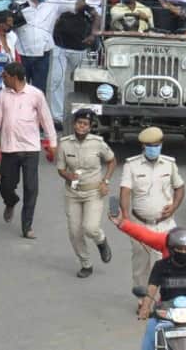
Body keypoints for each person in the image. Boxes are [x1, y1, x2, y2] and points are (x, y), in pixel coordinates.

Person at [0, 62, 55, 239]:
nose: (2, 79)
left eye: (5, 76)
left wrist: (52, 143)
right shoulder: (2, 95)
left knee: (31, 188)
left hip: (30, 148)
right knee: (6, 186)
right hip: (9, 147)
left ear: (14, 77)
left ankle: (27, 226)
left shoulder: (35, 94)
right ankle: (11, 202)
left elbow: (46, 120)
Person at [119, 126, 185, 291]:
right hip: (140, 223)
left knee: (168, 262)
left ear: (161, 144)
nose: (153, 149)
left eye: (156, 145)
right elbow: (125, 192)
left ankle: (165, 297)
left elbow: (180, 187)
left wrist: (174, 207)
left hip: (165, 223)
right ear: (143, 146)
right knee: (141, 264)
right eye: (149, 145)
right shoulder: (131, 165)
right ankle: (143, 298)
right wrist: (126, 219)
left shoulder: (169, 164)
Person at [56, 109, 116, 278]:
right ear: (74, 124)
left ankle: (101, 241)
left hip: (93, 192)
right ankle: (86, 264)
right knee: (75, 232)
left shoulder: (98, 143)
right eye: (79, 123)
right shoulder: (65, 143)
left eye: (85, 124)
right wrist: (68, 175)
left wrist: (106, 181)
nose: (82, 127)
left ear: (90, 127)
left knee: (90, 228)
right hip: (73, 193)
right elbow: (60, 169)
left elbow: (112, 161)